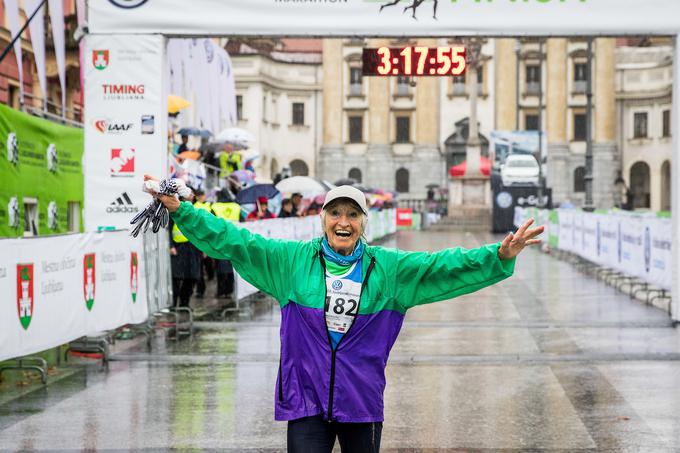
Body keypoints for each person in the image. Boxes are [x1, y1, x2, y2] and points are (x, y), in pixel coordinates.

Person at [151, 179, 543, 453]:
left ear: (363, 222)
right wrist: (183, 211)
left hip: (361, 402)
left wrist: (497, 256)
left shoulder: (388, 269)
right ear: (323, 219)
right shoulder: (292, 262)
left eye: (352, 215)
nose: (343, 222)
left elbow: (442, 265)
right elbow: (236, 240)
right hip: (306, 401)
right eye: (335, 213)